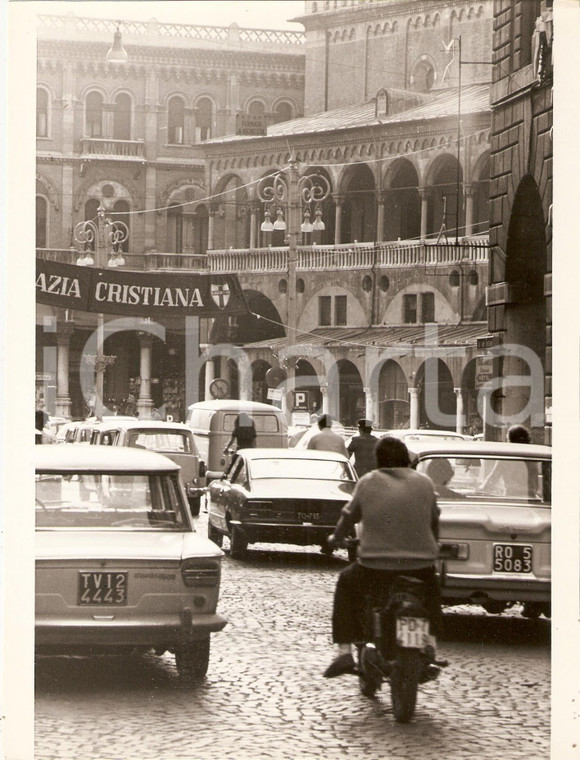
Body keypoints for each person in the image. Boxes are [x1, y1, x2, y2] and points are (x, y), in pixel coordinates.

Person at [323, 435, 441, 678]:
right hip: (421, 567)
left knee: (345, 583)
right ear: (406, 458)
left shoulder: (368, 481)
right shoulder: (425, 482)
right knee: (431, 598)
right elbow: (434, 520)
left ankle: (344, 652)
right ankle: (430, 644)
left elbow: (348, 517)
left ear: (379, 460)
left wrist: (335, 540)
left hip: (375, 567)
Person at [480, 424, 537, 497]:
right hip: (530, 499)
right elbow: (535, 484)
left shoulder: (505, 459)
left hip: (510, 498)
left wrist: (480, 490)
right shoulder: (532, 458)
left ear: (510, 440)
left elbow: (492, 479)